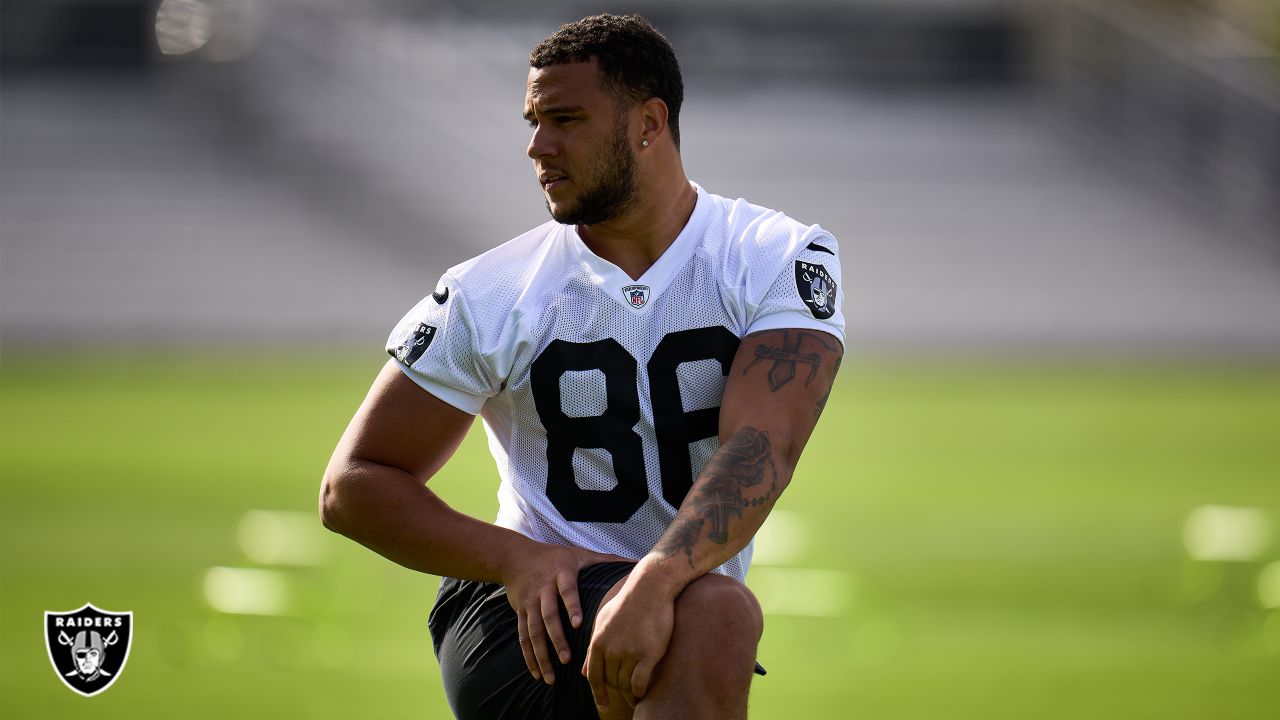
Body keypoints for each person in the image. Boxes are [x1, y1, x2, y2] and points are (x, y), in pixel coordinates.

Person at [320, 13, 844, 719]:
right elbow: (353, 486)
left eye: (564, 119)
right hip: (524, 612)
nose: (539, 146)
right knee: (718, 613)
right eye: (533, 121)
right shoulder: (493, 289)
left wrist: (653, 583)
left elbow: (764, 447)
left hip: (673, 597)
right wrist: (517, 559)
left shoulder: (775, 255)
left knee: (705, 613)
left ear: (649, 124)